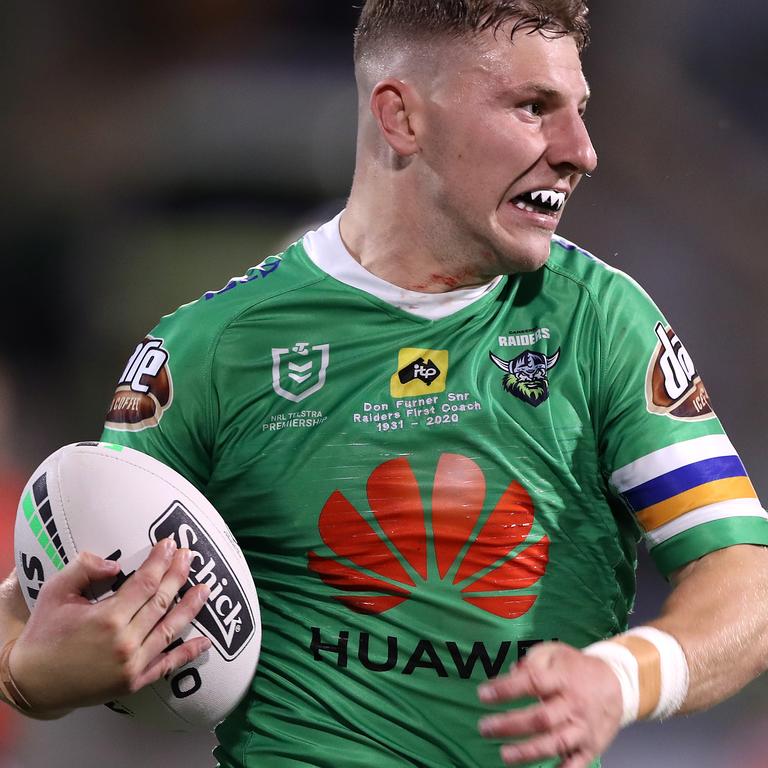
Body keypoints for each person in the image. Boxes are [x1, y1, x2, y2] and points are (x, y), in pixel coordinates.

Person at [2, 1, 768, 766]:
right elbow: (46, 587)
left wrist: (617, 677)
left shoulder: (600, 322)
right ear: (402, 118)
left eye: (579, 110)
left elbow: (748, 578)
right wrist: (29, 675)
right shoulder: (213, 349)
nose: (581, 151)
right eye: (533, 108)